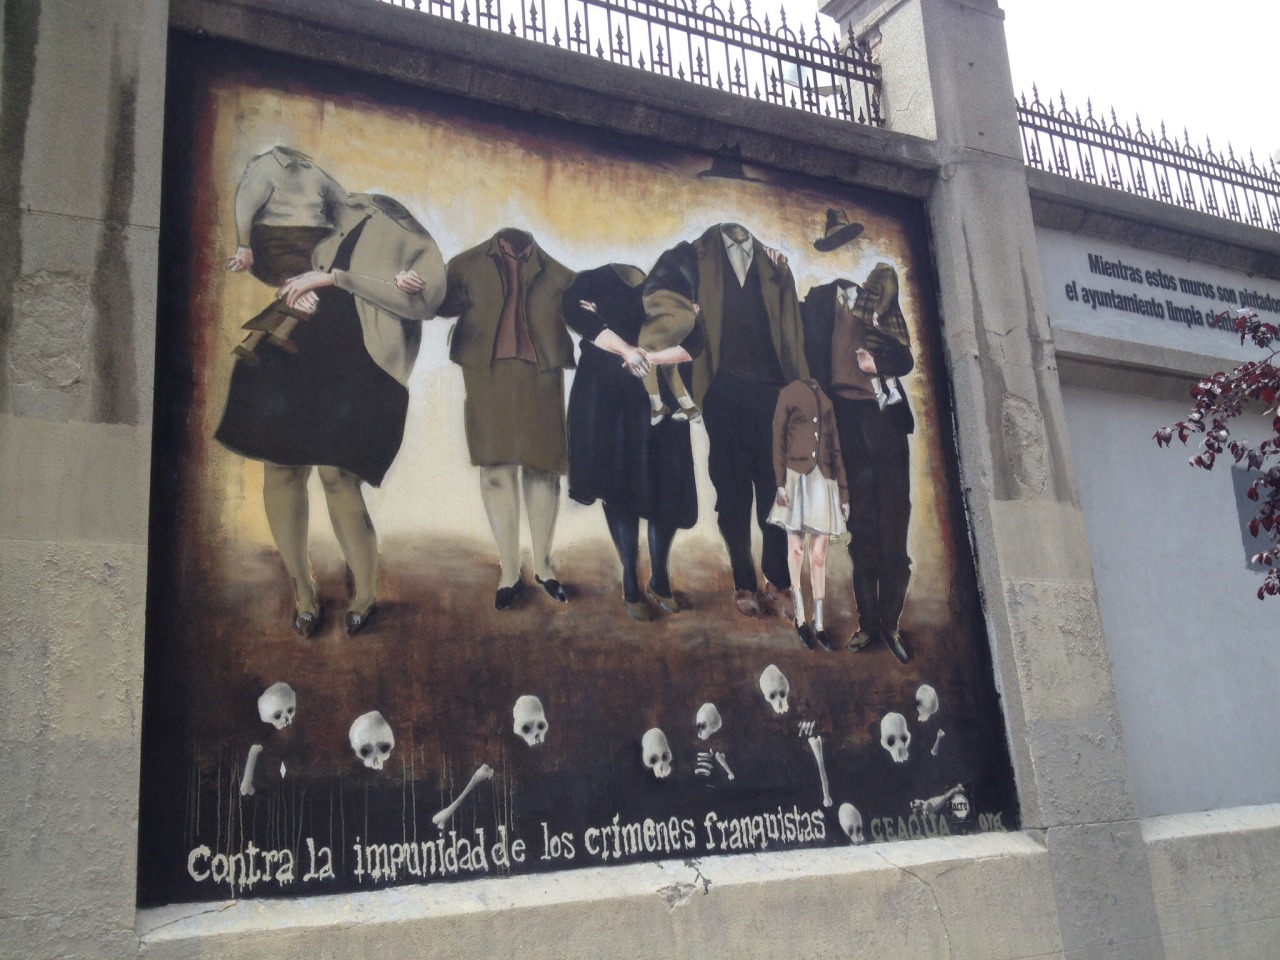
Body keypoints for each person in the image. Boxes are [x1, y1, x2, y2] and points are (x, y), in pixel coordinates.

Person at [216, 191, 446, 637]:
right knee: (280, 467)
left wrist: (335, 279)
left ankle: (365, 593)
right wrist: (294, 287)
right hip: (293, 345)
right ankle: (303, 591)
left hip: (359, 360)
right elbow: (277, 257)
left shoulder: (416, 241)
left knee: (338, 476)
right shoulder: (330, 205)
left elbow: (426, 302)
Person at [643, 223, 809, 619]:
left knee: (775, 490)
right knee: (731, 493)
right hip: (722, 390)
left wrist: (801, 388)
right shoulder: (694, 254)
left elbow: (792, 331)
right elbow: (655, 290)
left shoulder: (773, 263)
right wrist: (686, 309)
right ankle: (744, 582)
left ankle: (778, 581)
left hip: (771, 392)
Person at [436, 228, 576, 610]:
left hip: (541, 375)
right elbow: (438, 304)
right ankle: (510, 571)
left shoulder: (560, 275)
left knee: (543, 470)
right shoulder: (464, 265)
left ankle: (543, 566)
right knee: (495, 469)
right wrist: (414, 287)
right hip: (486, 373)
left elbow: (587, 315)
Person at [562, 263, 704, 620]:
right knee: (619, 487)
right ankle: (630, 576)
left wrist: (647, 355)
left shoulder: (672, 284)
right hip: (610, 401)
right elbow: (573, 311)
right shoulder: (596, 278)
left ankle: (660, 577)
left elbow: (695, 341)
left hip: (660, 399)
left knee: (667, 487)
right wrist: (626, 349)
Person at [802, 253, 915, 665]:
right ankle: (869, 624)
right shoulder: (819, 304)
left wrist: (876, 364)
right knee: (861, 532)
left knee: (894, 532)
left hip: (884, 425)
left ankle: (891, 625)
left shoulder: (878, 305)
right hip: (845, 423)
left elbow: (904, 358)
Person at [766, 378, 849, 650]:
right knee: (796, 550)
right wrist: (780, 483)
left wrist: (844, 495)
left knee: (819, 555)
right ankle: (801, 618)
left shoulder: (826, 400)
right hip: (795, 478)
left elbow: (836, 448)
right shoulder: (788, 393)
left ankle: (819, 623)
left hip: (824, 481)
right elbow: (778, 438)